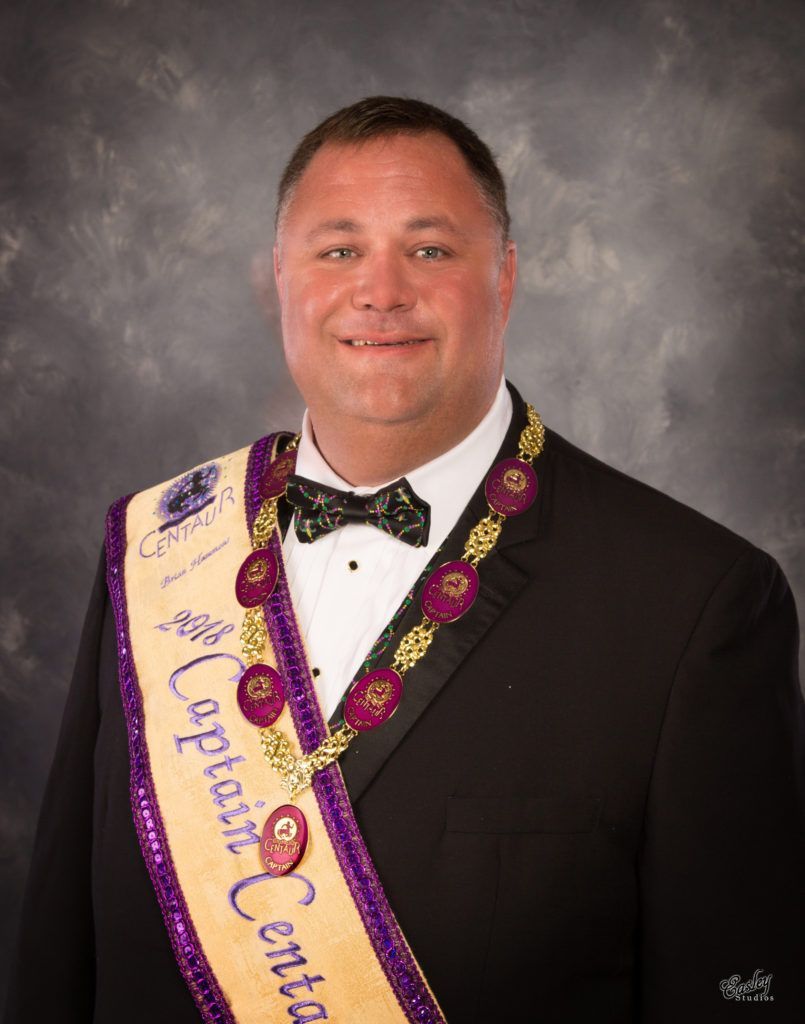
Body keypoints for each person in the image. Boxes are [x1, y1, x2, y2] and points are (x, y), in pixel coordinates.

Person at [5, 96, 804, 1024]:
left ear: (504, 278)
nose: (379, 291)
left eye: (429, 250)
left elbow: (745, 996)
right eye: (338, 249)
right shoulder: (151, 548)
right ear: (279, 277)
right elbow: (58, 969)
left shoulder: (695, 604)